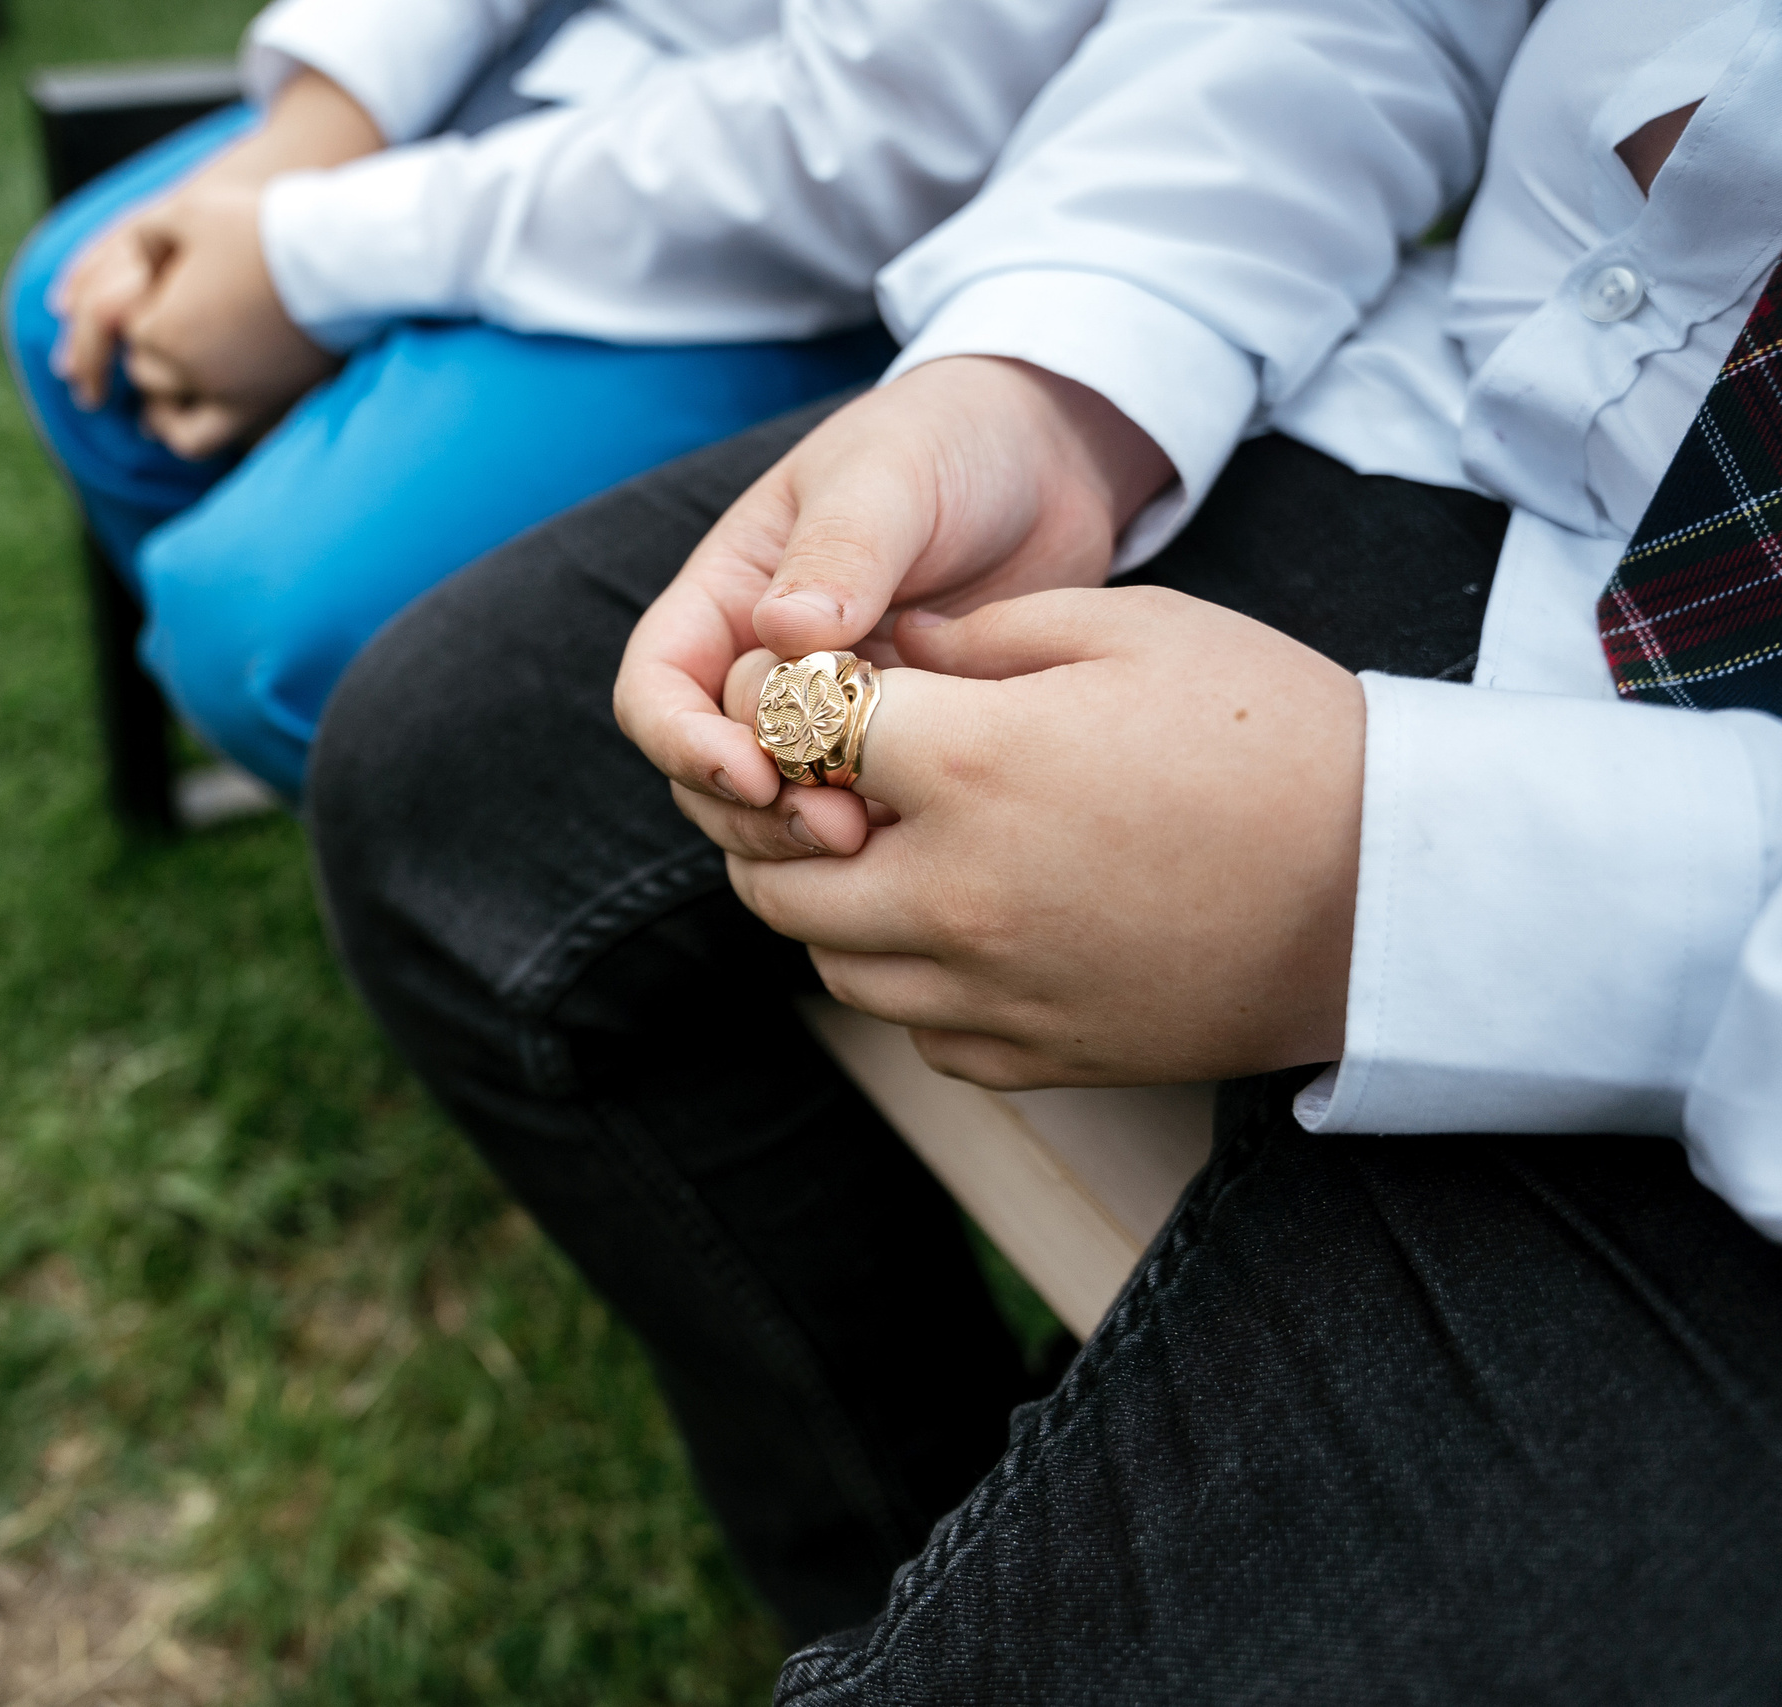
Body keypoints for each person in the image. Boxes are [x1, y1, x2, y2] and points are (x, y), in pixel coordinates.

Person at [307, 0, 1782, 1692]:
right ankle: (894, 1536)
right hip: (1505, 417)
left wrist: (1404, 883)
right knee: (461, 771)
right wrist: (1056, 383)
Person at [0, 0, 1105, 798]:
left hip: (808, 215)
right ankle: (417, 813)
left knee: (262, 640)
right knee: (75, 310)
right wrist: (295, 160)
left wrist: (308, 254)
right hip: (559, 67)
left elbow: (879, 128)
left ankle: (478, 812)